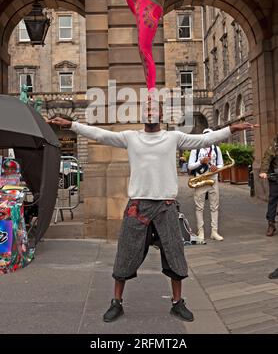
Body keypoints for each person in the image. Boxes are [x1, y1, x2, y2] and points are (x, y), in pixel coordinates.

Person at [48, 99, 258, 323]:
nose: (149, 112)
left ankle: (177, 303)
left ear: (161, 115)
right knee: (125, 254)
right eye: (146, 109)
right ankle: (116, 302)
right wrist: (71, 125)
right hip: (138, 207)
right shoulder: (131, 137)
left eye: (153, 109)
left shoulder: (172, 138)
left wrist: (231, 129)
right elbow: (100, 134)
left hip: (166, 206)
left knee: (175, 254)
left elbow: (204, 139)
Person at [188, 129, 225, 242]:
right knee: (199, 207)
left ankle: (214, 231)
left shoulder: (216, 149)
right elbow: (190, 166)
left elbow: (221, 164)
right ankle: (201, 231)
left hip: (213, 178)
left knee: (215, 206)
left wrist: (217, 168)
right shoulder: (196, 149)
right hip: (201, 179)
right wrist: (201, 162)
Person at [259, 133, 278, 237]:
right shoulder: (274, 145)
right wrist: (263, 171)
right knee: (273, 200)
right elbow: (267, 158)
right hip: (275, 177)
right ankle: (271, 223)